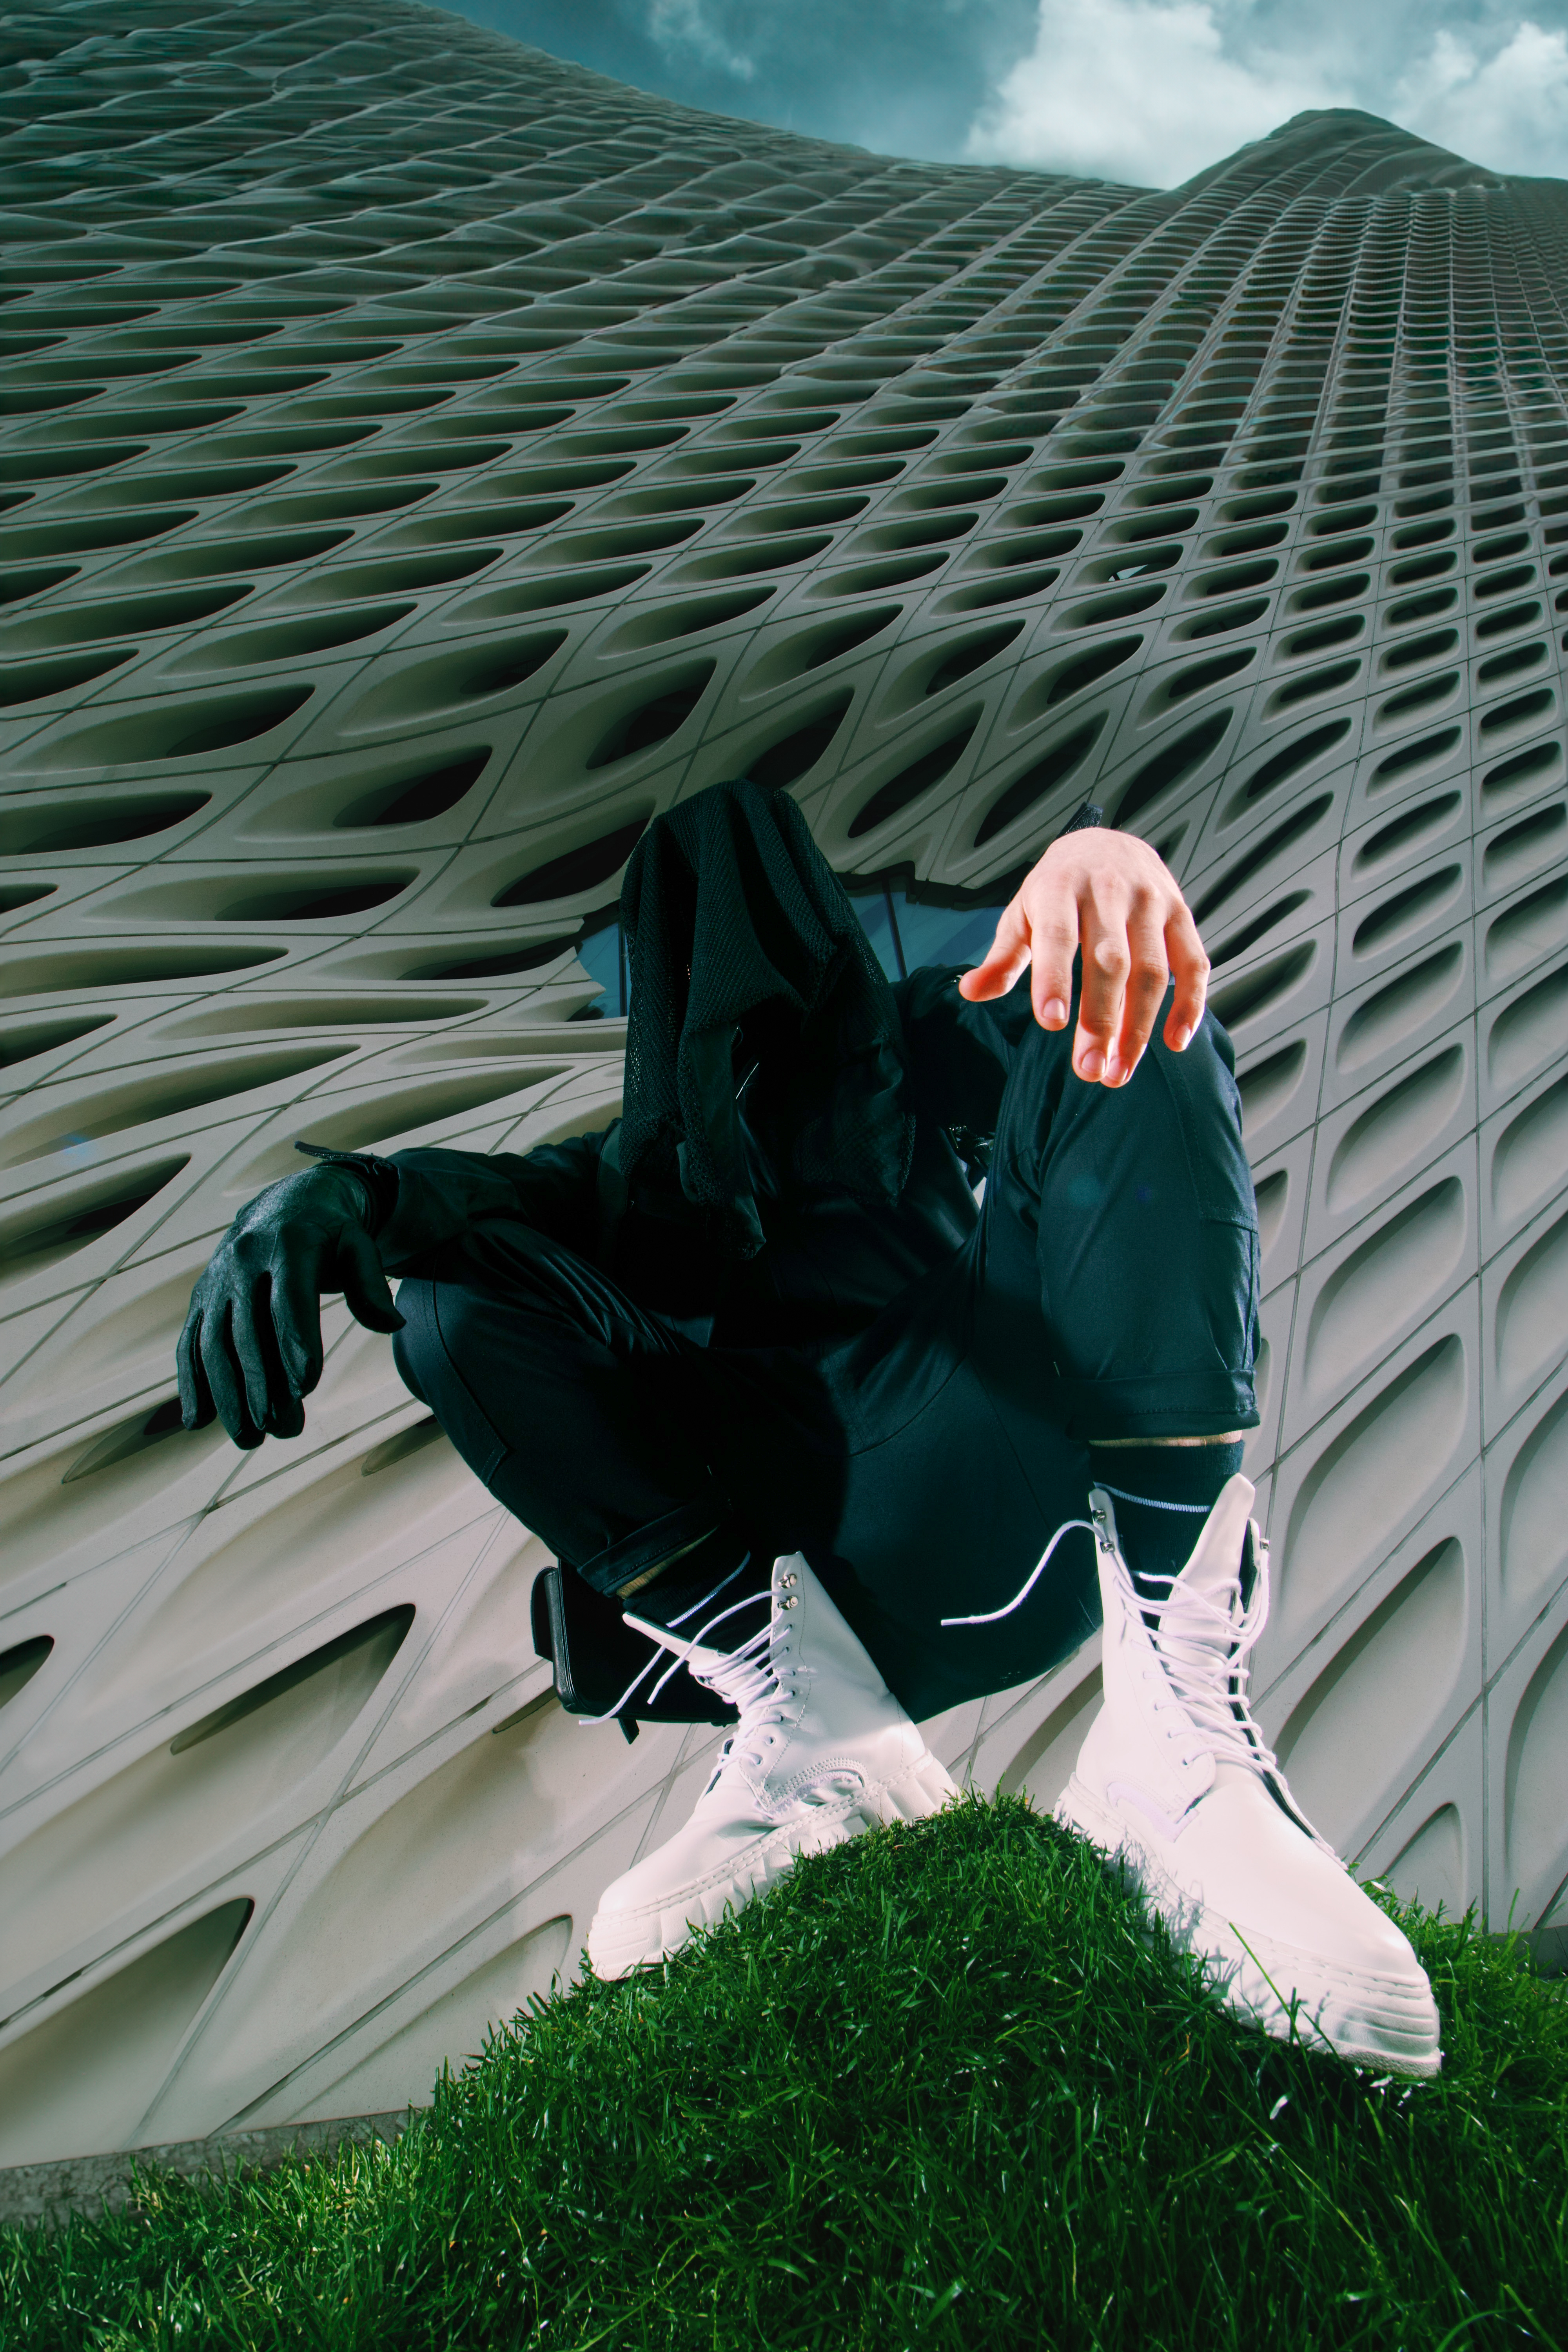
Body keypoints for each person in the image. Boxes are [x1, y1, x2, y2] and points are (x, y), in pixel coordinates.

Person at [178, 778, 1441, 2076]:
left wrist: (1102, 863)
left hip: (1000, 1474)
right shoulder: (621, 1185)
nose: (739, 1003)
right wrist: (328, 1195)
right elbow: (455, 1205)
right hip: (811, 1575)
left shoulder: (912, 1050)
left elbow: (1043, 1028)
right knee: (452, 1297)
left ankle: (1176, 1737)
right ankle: (819, 1731)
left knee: (1128, 1020)